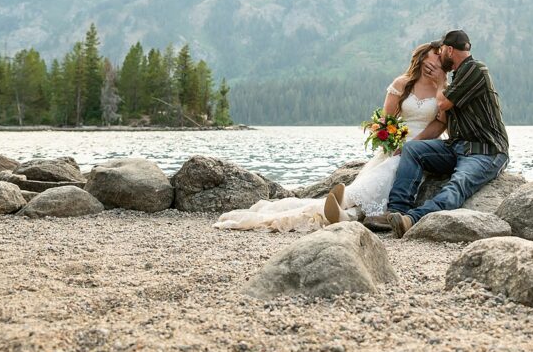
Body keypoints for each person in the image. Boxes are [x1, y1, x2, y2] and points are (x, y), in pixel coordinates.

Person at [212, 42, 447, 233]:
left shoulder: (443, 91)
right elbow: (385, 121)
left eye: (439, 59)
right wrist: (388, 138)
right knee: (381, 172)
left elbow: (440, 124)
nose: (434, 62)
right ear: (422, 56)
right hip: (397, 144)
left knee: (393, 169)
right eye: (432, 56)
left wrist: (412, 145)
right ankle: (345, 212)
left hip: (422, 147)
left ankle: (344, 206)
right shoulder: (402, 84)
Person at [381, 29, 509, 237]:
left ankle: (411, 219)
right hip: (457, 146)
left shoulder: (475, 69)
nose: (438, 56)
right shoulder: (459, 76)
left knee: (458, 184)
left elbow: (442, 103)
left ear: (449, 50)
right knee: (412, 149)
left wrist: (440, 81)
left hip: (486, 150)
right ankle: (396, 210)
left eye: (440, 51)